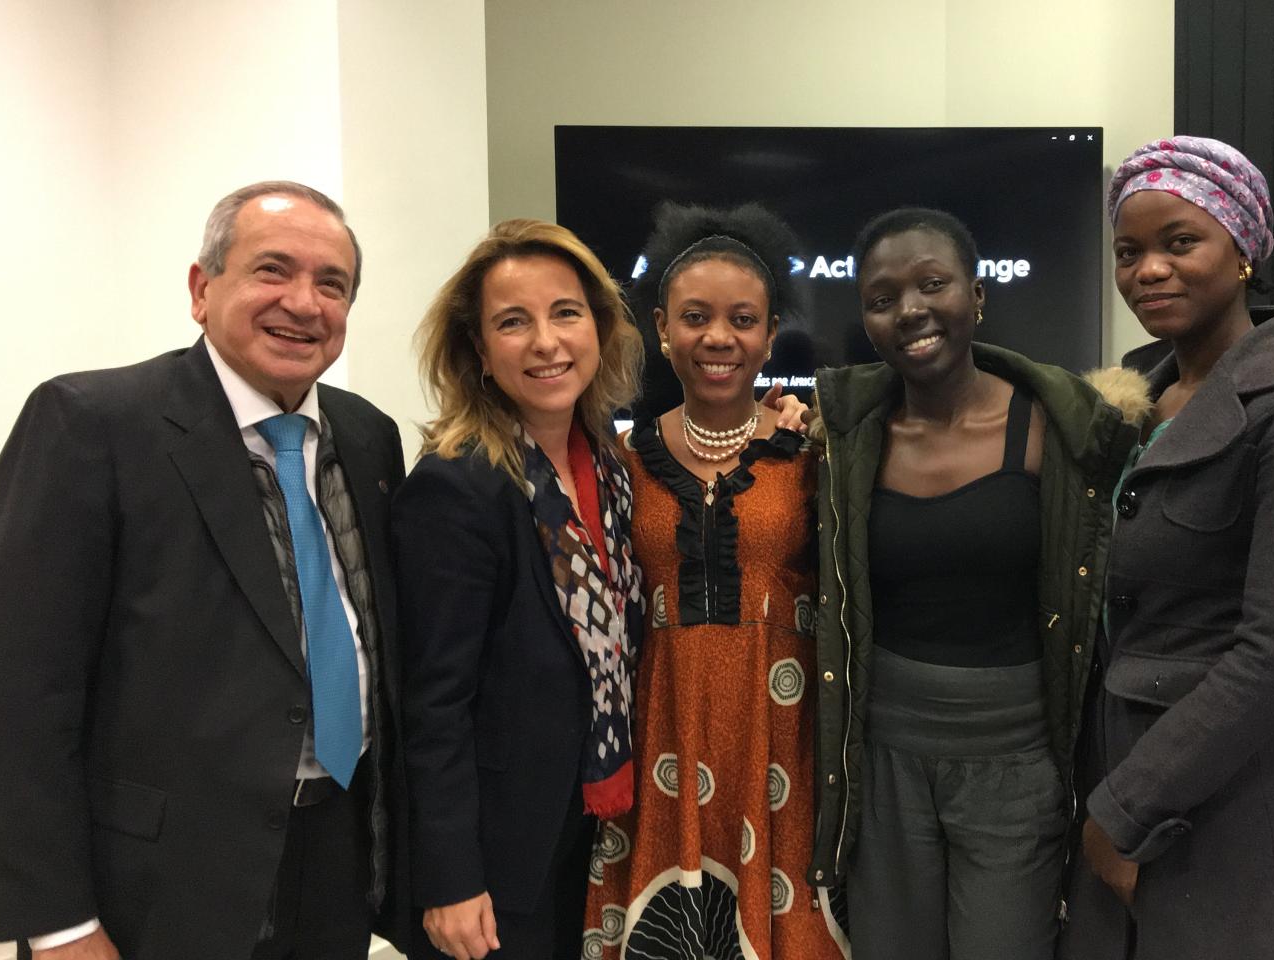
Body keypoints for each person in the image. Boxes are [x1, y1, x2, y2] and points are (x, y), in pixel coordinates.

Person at [0, 181, 416, 959]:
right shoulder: (89, 426)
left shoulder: (367, 436)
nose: (304, 303)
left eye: (331, 283)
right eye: (273, 270)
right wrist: (59, 922)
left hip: (336, 860)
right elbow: (17, 698)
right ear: (203, 289)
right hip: (160, 887)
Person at [1060, 136, 1274, 960]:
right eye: (1129, 253)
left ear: (1243, 253)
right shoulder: (1130, 400)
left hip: (1228, 798)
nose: (1148, 271)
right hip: (1112, 779)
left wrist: (1125, 810)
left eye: (1179, 243)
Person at [808, 207, 1143, 960]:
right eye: (883, 297)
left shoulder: (1058, 432)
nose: (911, 311)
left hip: (1016, 761)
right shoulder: (844, 439)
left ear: (978, 296)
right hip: (884, 755)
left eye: (933, 284)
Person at [582, 203, 845, 960]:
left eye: (743, 319)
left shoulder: (813, 453)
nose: (719, 338)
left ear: (769, 333)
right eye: (695, 317)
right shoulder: (620, 463)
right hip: (659, 734)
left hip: (784, 742)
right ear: (662, 327)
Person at [391, 219, 645, 960]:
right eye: (513, 322)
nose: (546, 342)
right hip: (501, 858)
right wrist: (449, 879)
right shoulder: (457, 484)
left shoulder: (606, 465)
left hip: (593, 827)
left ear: (598, 328)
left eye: (566, 312)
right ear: (478, 351)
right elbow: (432, 703)